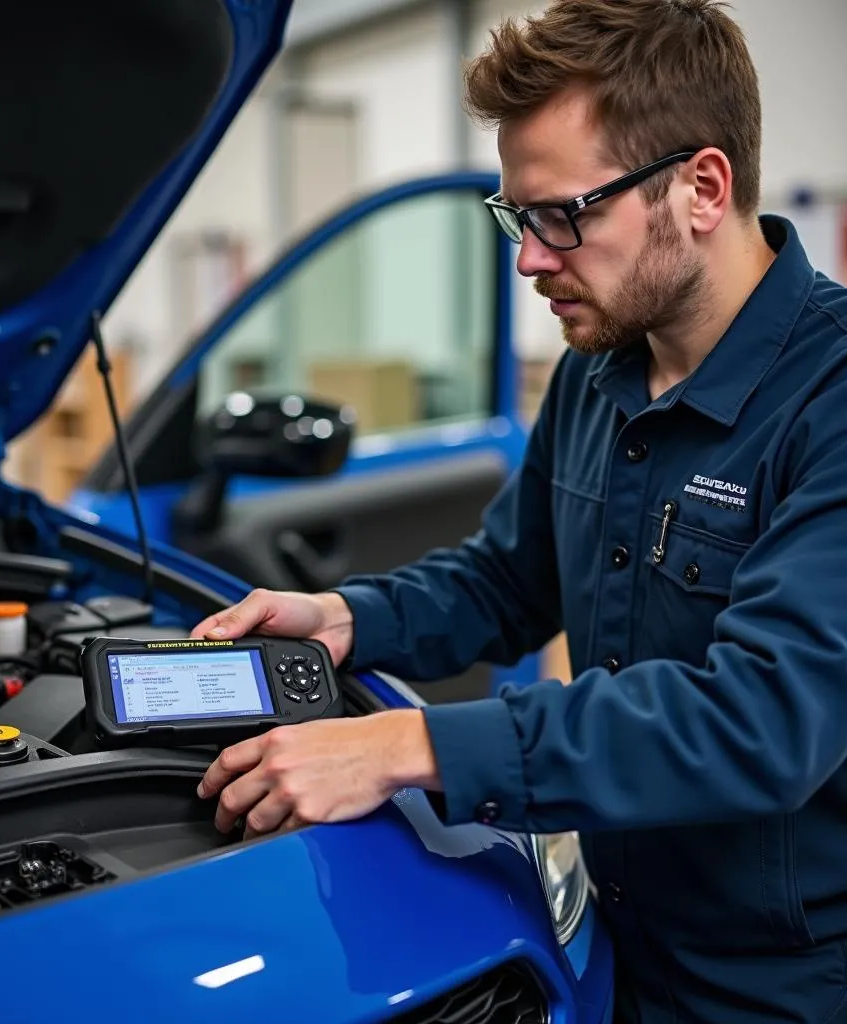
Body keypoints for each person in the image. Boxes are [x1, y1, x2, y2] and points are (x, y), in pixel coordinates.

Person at [193, 0, 847, 1019]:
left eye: (561, 216)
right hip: (600, 936)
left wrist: (410, 747)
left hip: (773, 986)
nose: (530, 260)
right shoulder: (598, 371)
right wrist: (346, 617)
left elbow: (761, 716)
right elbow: (509, 574)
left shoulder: (831, 399)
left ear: (701, 188)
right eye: (515, 218)